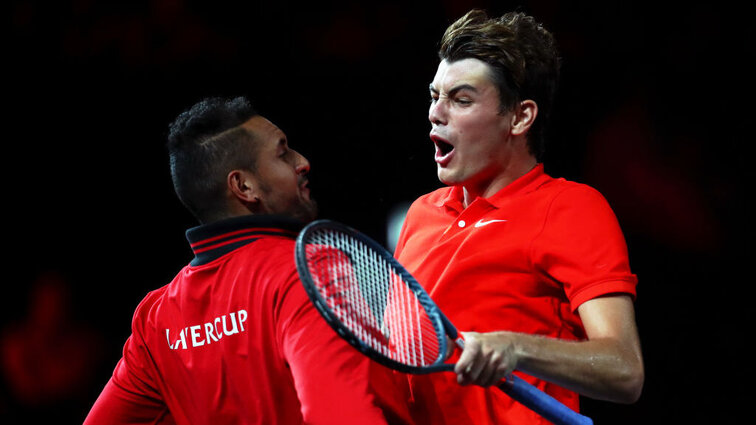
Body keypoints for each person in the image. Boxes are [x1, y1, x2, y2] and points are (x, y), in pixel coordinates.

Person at [84, 97, 410, 425]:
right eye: (283, 153)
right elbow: (340, 416)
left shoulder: (156, 321)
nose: (303, 161)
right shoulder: (310, 269)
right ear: (244, 186)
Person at [391, 9, 645, 424]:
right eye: (435, 96)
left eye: (461, 99)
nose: (436, 113)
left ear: (520, 117)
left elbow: (624, 369)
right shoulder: (421, 214)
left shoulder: (570, 207)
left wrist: (515, 348)